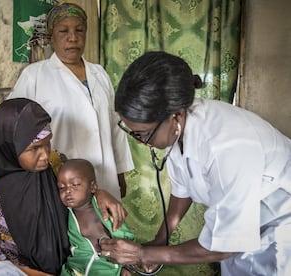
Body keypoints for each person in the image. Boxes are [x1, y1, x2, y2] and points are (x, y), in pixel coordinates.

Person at [99, 51, 291, 275]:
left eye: (143, 134)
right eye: (131, 131)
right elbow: (183, 190)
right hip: (246, 228)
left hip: (282, 229)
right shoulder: (181, 130)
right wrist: (160, 240)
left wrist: (143, 254)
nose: (140, 142)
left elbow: (224, 246)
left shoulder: (227, 147)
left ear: (176, 117)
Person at [0, 1, 134, 200]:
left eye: (79, 30)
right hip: (63, 180)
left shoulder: (100, 74)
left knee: (106, 227)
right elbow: (8, 124)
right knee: (69, 227)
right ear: (51, 36)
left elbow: (115, 126)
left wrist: (120, 171)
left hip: (104, 175)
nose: (73, 38)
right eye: (63, 31)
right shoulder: (35, 75)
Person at [0, 98, 125, 275]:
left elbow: (79, 188)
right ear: (8, 147)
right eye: (34, 149)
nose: (45, 155)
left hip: (71, 268)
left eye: (47, 144)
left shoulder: (56, 165)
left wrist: (99, 193)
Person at [57, 158, 135, 276]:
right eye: (61, 187)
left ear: (93, 187)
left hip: (110, 269)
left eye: (75, 184)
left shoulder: (103, 210)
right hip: (78, 269)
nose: (68, 191)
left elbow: (124, 238)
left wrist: (127, 267)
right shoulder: (66, 213)